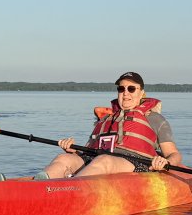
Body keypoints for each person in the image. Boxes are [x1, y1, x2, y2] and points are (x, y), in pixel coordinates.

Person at [39, 72, 183, 179]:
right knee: (63, 158)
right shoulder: (106, 118)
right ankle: (37, 188)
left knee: (104, 160)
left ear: (141, 93)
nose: (125, 93)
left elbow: (174, 154)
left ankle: (68, 191)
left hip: (136, 163)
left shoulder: (155, 119)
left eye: (131, 89)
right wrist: (72, 151)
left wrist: (165, 162)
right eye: (121, 89)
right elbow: (88, 152)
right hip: (95, 159)